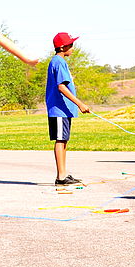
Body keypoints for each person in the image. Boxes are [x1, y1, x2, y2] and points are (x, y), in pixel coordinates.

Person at [46, 33, 90, 185]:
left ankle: (64, 173)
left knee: (64, 140)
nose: (73, 47)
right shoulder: (58, 62)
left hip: (64, 110)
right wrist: (80, 104)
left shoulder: (60, 62)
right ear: (63, 47)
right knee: (60, 140)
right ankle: (61, 177)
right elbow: (61, 87)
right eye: (71, 45)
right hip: (59, 109)